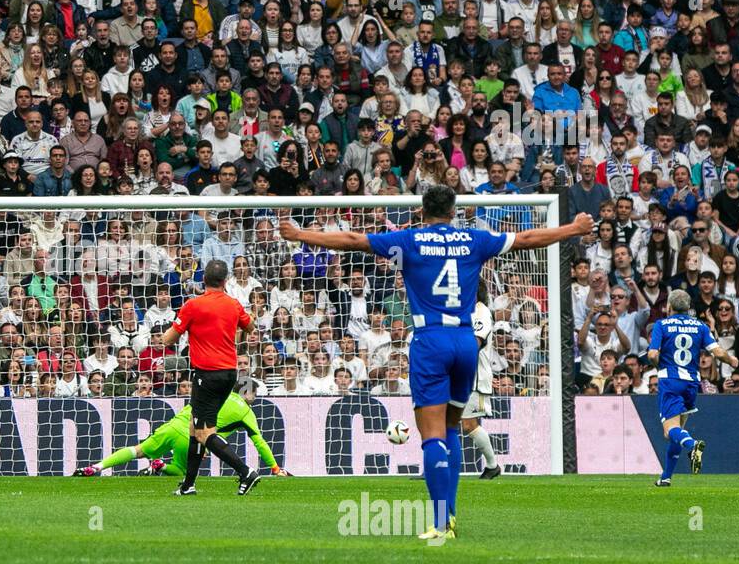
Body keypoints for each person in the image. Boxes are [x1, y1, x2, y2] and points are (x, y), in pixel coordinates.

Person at [280, 185, 594, 541]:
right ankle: (452, 515)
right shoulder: (475, 239)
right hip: (465, 342)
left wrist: (299, 234)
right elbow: (527, 238)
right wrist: (573, 228)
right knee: (451, 428)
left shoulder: (410, 239)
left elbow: (353, 239)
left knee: (431, 436)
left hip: (430, 341)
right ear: (454, 210)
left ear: (422, 209)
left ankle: (441, 523)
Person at [159, 258, 262, 495]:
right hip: (229, 374)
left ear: (203, 279)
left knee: (205, 432)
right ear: (225, 281)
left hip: (207, 374)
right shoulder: (233, 304)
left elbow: (169, 339)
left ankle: (245, 471)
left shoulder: (193, 306)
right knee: (195, 428)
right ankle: (188, 484)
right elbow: (250, 327)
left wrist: (176, 327)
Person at [73, 391, 284, 477]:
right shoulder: (247, 413)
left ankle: (96, 467)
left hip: (173, 425)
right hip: (191, 437)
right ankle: (161, 466)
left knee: (137, 450)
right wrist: (275, 468)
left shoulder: (219, 392)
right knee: (184, 472)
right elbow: (260, 443)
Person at [648, 288, 739, 486]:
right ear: (689, 307)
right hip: (691, 383)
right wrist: (731, 360)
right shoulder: (700, 326)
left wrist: (658, 365)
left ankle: (693, 445)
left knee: (670, 430)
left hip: (670, 381)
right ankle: (666, 478)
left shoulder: (661, 325)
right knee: (676, 431)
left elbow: (653, 355)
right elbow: (717, 352)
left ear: (669, 307)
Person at [464, 285, 501, 480]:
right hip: (458, 375)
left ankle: (493, 465)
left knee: (469, 424)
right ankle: (434, 468)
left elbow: (475, 342)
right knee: (442, 420)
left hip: (474, 378)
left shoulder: (481, 311)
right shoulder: (462, 310)